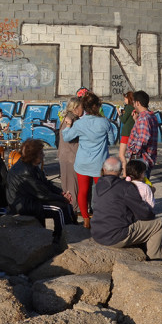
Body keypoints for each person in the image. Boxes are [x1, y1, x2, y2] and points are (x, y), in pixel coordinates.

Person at [90, 157, 162, 260]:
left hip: (97, 232)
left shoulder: (99, 184)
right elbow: (145, 214)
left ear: (103, 169)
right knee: (158, 223)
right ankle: (155, 261)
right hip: (115, 236)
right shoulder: (125, 187)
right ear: (121, 171)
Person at [61, 91, 117, 228]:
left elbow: (67, 137)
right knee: (101, 191)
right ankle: (99, 216)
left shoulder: (80, 123)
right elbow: (112, 141)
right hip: (99, 164)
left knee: (83, 191)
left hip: (83, 162)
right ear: (97, 106)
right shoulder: (105, 122)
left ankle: (86, 219)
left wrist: (68, 126)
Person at [6, 139, 74, 243]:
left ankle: (67, 232)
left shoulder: (31, 166)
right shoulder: (25, 171)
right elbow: (42, 194)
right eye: (41, 153)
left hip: (31, 198)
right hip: (24, 204)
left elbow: (45, 184)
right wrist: (62, 198)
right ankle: (62, 238)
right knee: (59, 208)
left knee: (65, 205)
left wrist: (61, 193)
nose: (43, 155)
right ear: (33, 155)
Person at [125, 90, 159, 177]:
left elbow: (143, 138)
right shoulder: (151, 116)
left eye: (133, 102)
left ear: (137, 103)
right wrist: (136, 120)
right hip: (147, 158)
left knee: (138, 188)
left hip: (140, 160)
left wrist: (134, 151)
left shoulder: (143, 118)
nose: (133, 105)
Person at [56, 96, 82, 209]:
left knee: (66, 188)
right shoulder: (73, 120)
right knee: (73, 188)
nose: (83, 109)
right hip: (72, 157)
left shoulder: (66, 118)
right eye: (82, 107)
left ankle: (69, 211)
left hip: (64, 156)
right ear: (76, 107)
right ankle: (73, 212)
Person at [119, 92, 136, 165]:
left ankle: (125, 172)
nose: (124, 100)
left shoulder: (128, 107)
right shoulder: (135, 107)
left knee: (121, 154)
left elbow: (123, 120)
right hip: (133, 133)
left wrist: (119, 114)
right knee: (131, 155)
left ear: (129, 99)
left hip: (126, 133)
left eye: (125, 98)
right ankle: (132, 171)